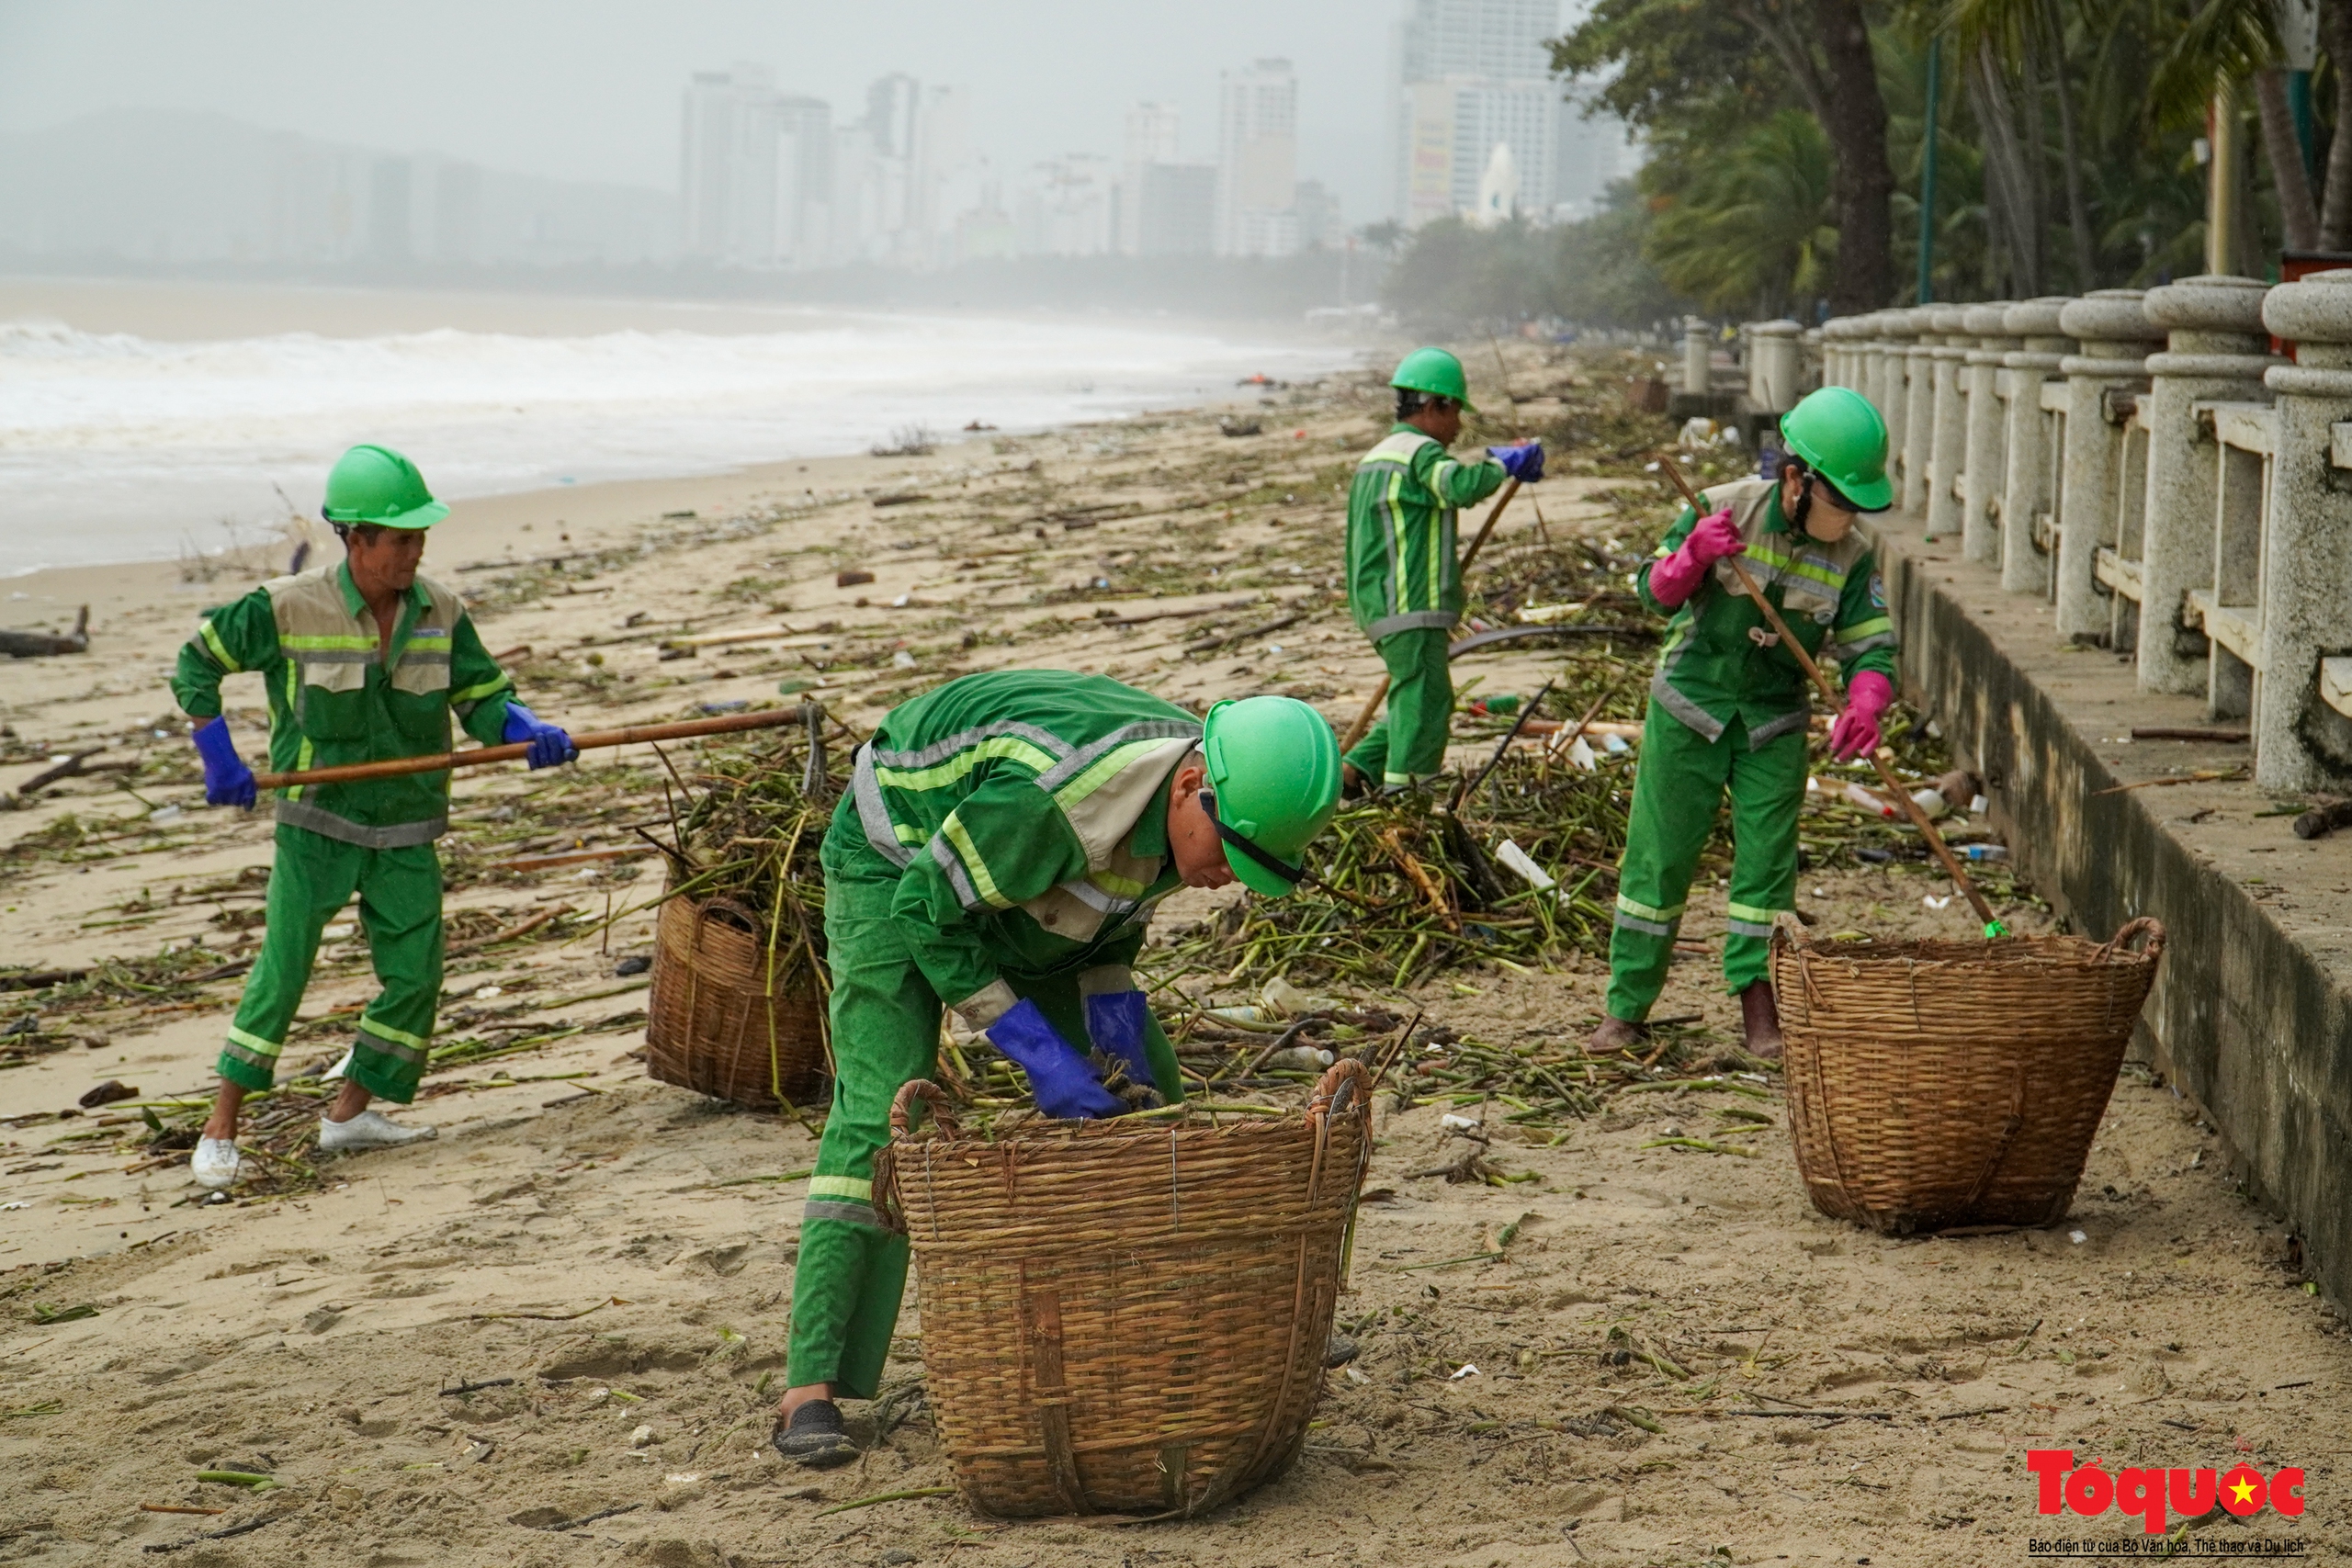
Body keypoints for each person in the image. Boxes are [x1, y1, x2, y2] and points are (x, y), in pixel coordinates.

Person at [774, 671, 1342, 1467]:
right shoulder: (1056, 804)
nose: (1230, 878)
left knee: (1149, 1088)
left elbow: (1109, 928)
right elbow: (925, 908)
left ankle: (1207, 1315)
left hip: (1009, 883)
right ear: (1189, 788)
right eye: (1234, 853)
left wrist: (1115, 1044)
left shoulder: (1191, 792)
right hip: (896, 862)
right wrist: (1035, 1049)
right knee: (882, 1112)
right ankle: (812, 1386)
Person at [171, 444, 578, 1190]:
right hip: (318, 822)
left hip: (407, 825)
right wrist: (215, 749)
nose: (413, 553)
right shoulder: (287, 605)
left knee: (415, 978)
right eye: (399, 539)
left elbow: (482, 695)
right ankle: (220, 1126)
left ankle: (349, 1113)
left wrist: (525, 727)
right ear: (354, 538)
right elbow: (197, 662)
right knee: (284, 970)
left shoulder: (441, 611)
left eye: (420, 538)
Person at [1586, 387, 1898, 1059]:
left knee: (1765, 872)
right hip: (1689, 708)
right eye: (1838, 500)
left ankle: (1761, 1012)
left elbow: (1871, 647)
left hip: (1774, 721)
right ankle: (1627, 1008)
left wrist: (1865, 703)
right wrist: (1693, 554)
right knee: (1659, 859)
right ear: (1795, 477)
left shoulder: (1854, 557)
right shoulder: (1723, 509)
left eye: (1856, 505)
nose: (1846, 517)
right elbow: (1652, 592)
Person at [1340, 347, 1544, 794]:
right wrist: (1502, 463)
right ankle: (1407, 793)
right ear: (1434, 407)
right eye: (1455, 414)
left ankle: (1355, 772)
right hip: (1407, 601)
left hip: (1378, 600)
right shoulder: (1419, 453)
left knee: (1423, 697)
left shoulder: (1379, 456)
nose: (1458, 427)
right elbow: (1457, 486)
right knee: (1423, 703)